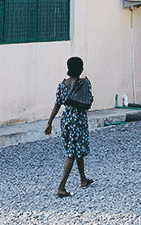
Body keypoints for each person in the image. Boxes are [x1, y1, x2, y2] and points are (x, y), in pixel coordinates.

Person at [45, 56, 94, 197]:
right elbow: (88, 103)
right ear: (81, 69)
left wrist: (49, 123)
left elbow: (57, 105)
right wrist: (89, 86)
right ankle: (61, 187)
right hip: (78, 121)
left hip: (66, 120)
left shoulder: (62, 85)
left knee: (75, 149)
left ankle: (83, 179)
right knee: (72, 152)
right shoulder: (83, 84)